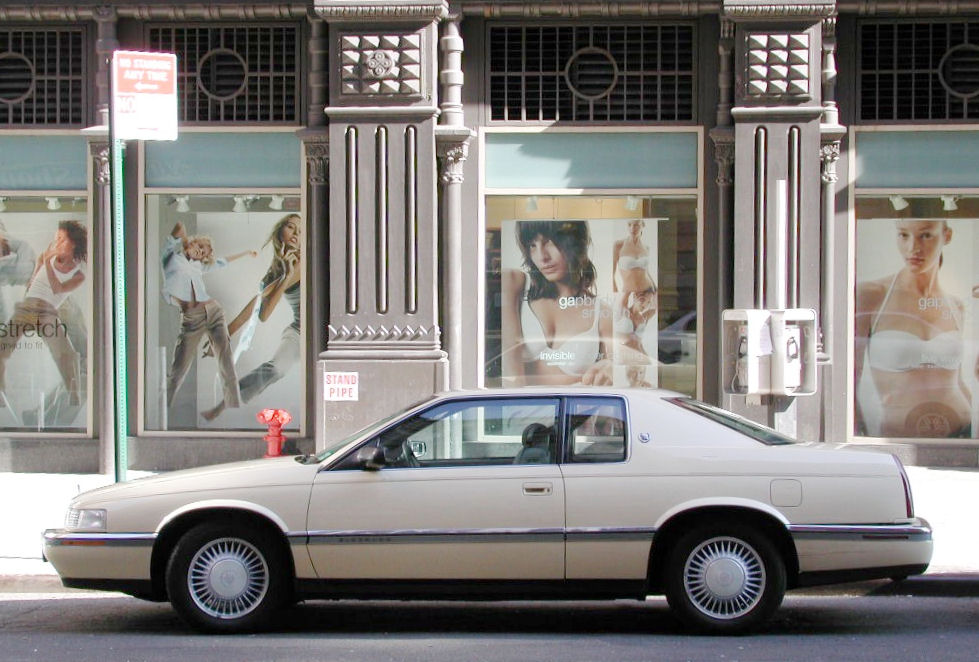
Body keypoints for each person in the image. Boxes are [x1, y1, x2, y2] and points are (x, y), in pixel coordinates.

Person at [854, 219, 970, 438]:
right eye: (903, 235)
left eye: (925, 235)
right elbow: (849, 382)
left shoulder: (956, 305)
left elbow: (959, 381)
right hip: (896, 437)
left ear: (947, 235)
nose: (912, 248)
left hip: (961, 432)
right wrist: (858, 438)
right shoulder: (871, 295)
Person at [201, 214, 302, 421]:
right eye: (291, 227)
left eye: (300, 231)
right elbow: (259, 312)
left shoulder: (307, 261)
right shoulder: (279, 269)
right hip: (300, 331)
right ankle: (224, 404)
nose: (296, 234)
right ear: (280, 231)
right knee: (277, 368)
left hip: (326, 333)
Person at [501, 220, 613, 386]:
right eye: (532, 245)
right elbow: (510, 381)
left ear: (575, 243)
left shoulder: (601, 312)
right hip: (518, 409)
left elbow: (622, 371)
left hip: (576, 411)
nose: (542, 257)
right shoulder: (515, 285)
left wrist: (611, 367)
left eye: (549, 243)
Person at [162, 221, 256, 410]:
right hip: (191, 318)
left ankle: (233, 408)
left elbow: (223, 262)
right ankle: (161, 411)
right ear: (190, 244)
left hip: (213, 312)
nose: (201, 253)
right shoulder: (171, 258)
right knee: (178, 370)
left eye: (204, 253)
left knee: (226, 362)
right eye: (200, 248)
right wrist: (188, 242)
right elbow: (179, 226)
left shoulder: (199, 267)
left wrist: (246, 253)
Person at [0, 221, 87, 407]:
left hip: (47, 311)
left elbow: (57, 288)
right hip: (28, 308)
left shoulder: (77, 275)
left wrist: (46, 262)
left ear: (73, 243)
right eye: (56, 239)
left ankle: (74, 400)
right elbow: (32, 284)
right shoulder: (42, 259)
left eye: (61, 239)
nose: (57, 243)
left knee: (67, 355)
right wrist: (42, 262)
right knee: (3, 348)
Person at [611, 219, 658, 364]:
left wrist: (655, 291)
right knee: (624, 314)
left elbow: (646, 271)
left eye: (637, 224)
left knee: (640, 316)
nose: (632, 228)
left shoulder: (647, 248)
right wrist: (615, 290)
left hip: (646, 288)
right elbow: (612, 273)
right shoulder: (619, 245)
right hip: (628, 290)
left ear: (643, 226)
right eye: (629, 224)